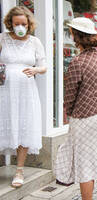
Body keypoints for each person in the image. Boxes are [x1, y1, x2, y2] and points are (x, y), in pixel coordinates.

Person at [55, 17, 97, 200]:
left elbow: (70, 95)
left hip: (86, 119)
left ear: (77, 36)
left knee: (86, 166)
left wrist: (68, 113)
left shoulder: (78, 62)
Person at [0, 6, 47, 188]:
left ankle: (19, 170)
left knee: (24, 126)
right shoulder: (2, 38)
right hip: (5, 92)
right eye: (17, 23)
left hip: (27, 92)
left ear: (29, 24)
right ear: (10, 24)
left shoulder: (35, 42)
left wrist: (35, 69)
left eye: (24, 24)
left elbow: (43, 66)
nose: (20, 26)